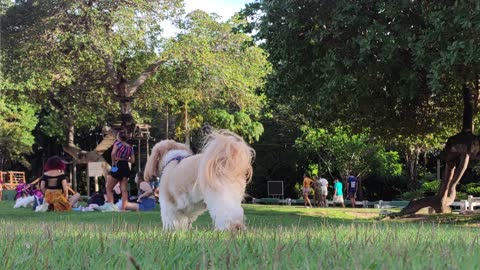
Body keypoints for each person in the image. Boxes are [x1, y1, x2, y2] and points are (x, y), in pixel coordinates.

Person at [106, 130, 135, 210]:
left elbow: (112, 153)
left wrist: (113, 162)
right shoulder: (130, 147)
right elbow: (133, 161)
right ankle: (123, 209)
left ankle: (111, 208)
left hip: (117, 165)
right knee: (124, 190)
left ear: (119, 137)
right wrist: (125, 159)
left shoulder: (117, 144)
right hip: (125, 167)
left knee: (109, 188)